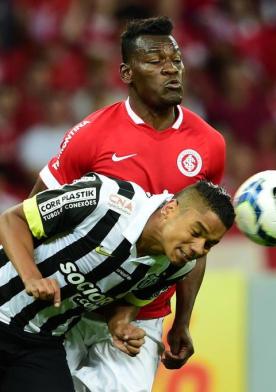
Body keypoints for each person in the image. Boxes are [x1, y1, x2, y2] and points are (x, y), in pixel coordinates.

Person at [29, 16, 226, 392]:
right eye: (155, 61)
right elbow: (34, 210)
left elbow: (198, 243)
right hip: (71, 305)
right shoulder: (92, 136)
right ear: (126, 72)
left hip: (142, 316)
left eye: (176, 59)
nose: (170, 69)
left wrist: (182, 320)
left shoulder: (209, 145)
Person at [0, 173, 234, 392]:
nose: (198, 249)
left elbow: (131, 297)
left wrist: (119, 323)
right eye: (196, 232)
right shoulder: (104, 198)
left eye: (209, 244)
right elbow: (12, 220)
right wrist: (31, 276)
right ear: (170, 210)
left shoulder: (178, 265)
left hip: (42, 340)